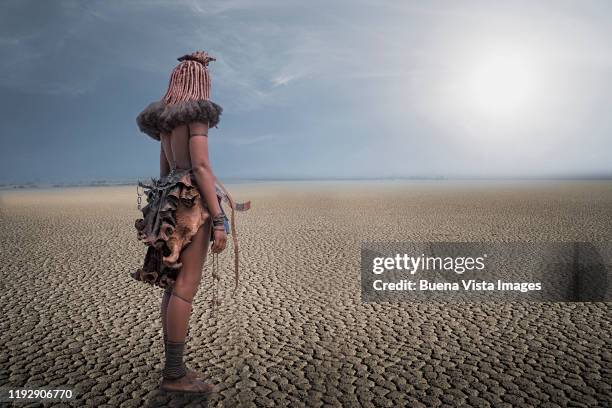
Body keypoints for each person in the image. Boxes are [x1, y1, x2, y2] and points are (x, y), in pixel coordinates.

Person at [133, 50, 246, 394]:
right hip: (193, 203)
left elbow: (167, 172)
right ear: (201, 83)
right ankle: (174, 375)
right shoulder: (196, 118)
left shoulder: (166, 124)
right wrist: (220, 219)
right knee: (186, 286)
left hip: (169, 203)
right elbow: (201, 168)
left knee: (173, 285)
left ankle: (175, 368)